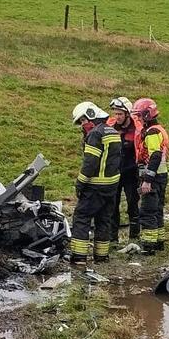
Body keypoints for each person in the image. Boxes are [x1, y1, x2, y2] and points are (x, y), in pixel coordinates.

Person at [69, 101, 122, 265]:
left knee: (81, 218)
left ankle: (79, 257)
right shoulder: (112, 131)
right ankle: (101, 257)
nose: (83, 125)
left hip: (94, 186)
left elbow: (90, 163)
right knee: (103, 220)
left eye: (83, 121)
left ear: (91, 115)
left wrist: (80, 183)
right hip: (111, 186)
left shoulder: (95, 134)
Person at [132, 98, 169, 254]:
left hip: (152, 177)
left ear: (147, 115)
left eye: (139, 116)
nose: (138, 119)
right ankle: (159, 243)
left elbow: (154, 155)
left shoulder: (152, 132)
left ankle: (149, 247)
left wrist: (147, 180)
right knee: (158, 210)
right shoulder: (159, 128)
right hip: (162, 175)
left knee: (148, 212)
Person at [106, 97, 140, 243]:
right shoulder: (110, 126)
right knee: (113, 204)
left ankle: (134, 235)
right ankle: (112, 236)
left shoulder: (137, 128)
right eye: (115, 114)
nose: (117, 117)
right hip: (114, 171)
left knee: (133, 203)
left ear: (127, 113)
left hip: (131, 172)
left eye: (120, 114)